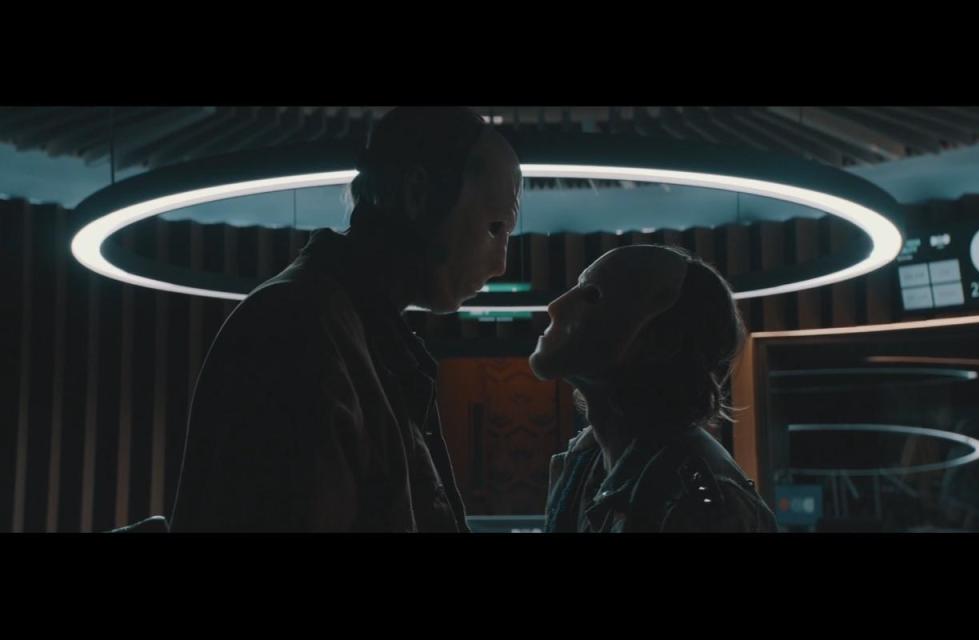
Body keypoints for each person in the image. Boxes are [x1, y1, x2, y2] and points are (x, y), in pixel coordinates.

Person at [171, 107, 522, 531]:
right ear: (417, 193)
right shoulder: (298, 330)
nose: (502, 262)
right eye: (495, 226)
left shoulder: (351, 332)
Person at [530, 244, 777, 532]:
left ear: (662, 342)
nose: (555, 306)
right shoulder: (584, 461)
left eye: (593, 295)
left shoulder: (704, 505)